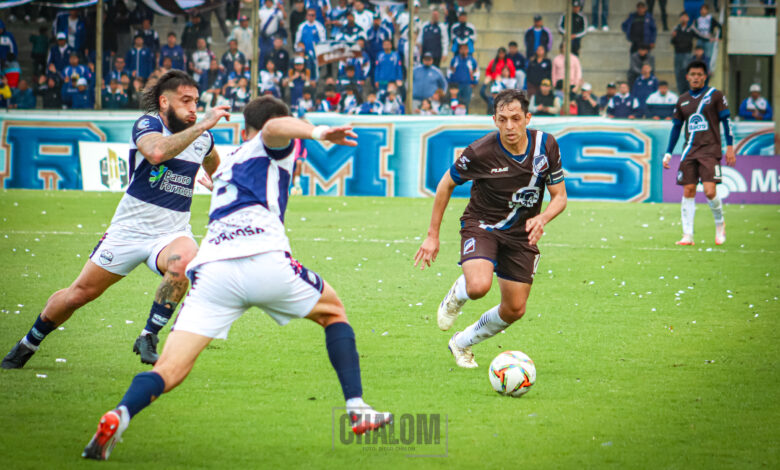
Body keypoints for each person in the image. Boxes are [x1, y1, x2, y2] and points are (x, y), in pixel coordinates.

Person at [81, 97, 392, 461]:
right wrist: (319, 132)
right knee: (333, 314)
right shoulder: (268, 143)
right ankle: (356, 407)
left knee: (169, 369)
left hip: (213, 274)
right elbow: (274, 128)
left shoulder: (229, 162)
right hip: (262, 259)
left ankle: (119, 415)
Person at [1, 71, 228, 370]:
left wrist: (214, 179)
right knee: (79, 295)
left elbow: (213, 161)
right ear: (164, 102)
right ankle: (28, 344)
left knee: (186, 262)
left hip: (172, 232)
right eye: (186, 101)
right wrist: (202, 126)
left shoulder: (203, 138)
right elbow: (156, 152)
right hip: (129, 231)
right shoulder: (148, 125)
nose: (194, 108)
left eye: (196, 102)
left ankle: (148, 335)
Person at [414, 88, 567, 369]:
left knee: (514, 309)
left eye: (516, 118)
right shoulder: (480, 151)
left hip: (522, 233)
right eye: (503, 119)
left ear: (528, 118)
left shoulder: (546, 146)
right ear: (494, 120)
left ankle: (462, 342)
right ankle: (457, 295)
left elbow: (560, 197)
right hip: (482, 224)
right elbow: (446, 184)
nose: (510, 126)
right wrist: (432, 235)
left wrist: (542, 218)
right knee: (479, 286)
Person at [662, 60, 734, 246]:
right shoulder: (682, 100)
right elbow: (676, 128)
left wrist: (730, 147)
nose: (695, 77)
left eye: (699, 74)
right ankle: (688, 235)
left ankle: (720, 224)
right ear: (687, 77)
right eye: (692, 74)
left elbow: (727, 122)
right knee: (688, 190)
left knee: (710, 191)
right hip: (689, 151)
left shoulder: (715, 95)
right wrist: (669, 152)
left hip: (710, 150)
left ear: (705, 76)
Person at [671, 11, 699, 94]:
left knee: (686, 72)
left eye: (685, 17)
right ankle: (681, 92)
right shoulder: (676, 28)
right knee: (678, 73)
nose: (684, 18)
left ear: (688, 19)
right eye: (682, 17)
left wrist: (709, 39)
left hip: (687, 53)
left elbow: (699, 35)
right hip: (678, 53)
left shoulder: (691, 28)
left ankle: (688, 91)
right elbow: (672, 42)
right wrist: (673, 37)